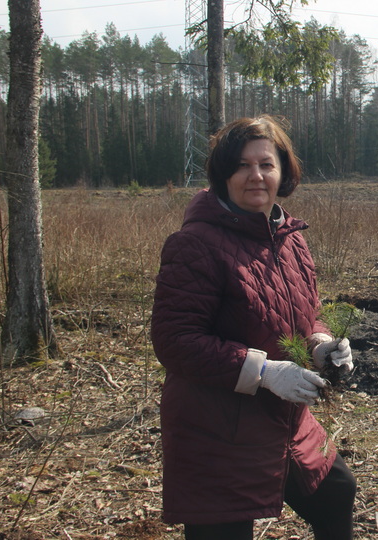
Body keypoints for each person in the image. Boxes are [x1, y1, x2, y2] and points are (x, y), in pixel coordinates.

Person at [151, 115, 356, 540]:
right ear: (223, 174)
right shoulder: (195, 244)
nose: (256, 175)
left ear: (283, 172)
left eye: (266, 164)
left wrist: (319, 343)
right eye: (242, 165)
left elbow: (306, 311)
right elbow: (176, 342)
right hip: (216, 430)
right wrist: (264, 372)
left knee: (336, 493)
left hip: (285, 422)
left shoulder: (289, 238)